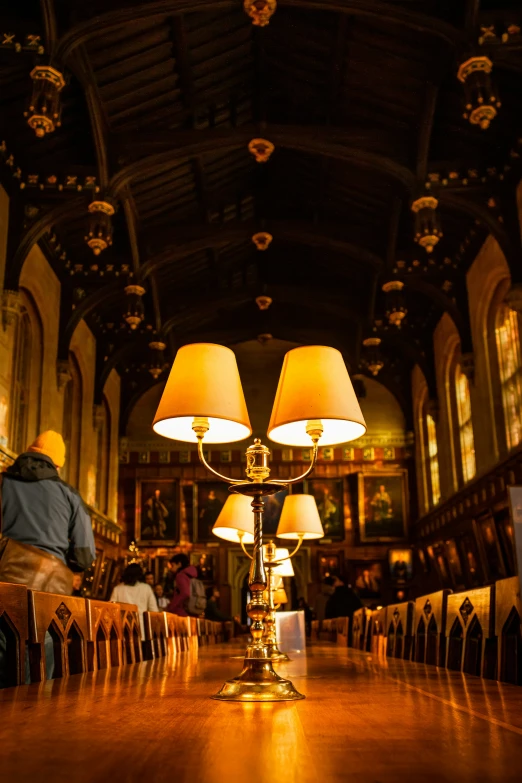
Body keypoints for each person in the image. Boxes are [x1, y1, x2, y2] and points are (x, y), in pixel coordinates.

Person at [0, 430, 96, 685]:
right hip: (49, 596)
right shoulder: (70, 495)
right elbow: (85, 557)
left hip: (4, 588)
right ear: (57, 464)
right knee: (41, 667)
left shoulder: (2, 482)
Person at [110, 564, 158, 639]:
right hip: (142, 630)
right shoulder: (146, 588)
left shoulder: (118, 589)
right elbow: (154, 611)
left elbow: (111, 610)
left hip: (123, 630)